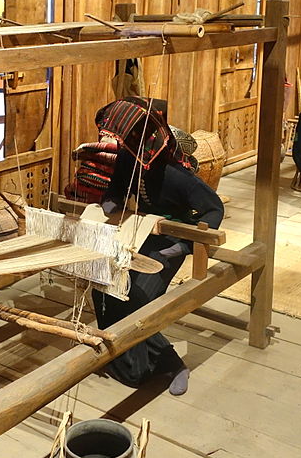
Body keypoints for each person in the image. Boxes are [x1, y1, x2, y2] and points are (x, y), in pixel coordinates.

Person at [92, 97, 223, 396]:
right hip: (139, 233)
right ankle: (121, 356)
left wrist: (184, 245)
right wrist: (110, 201)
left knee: (137, 298)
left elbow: (213, 209)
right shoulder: (128, 158)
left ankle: (173, 364)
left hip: (170, 241)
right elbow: (117, 187)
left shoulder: (176, 176)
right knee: (103, 285)